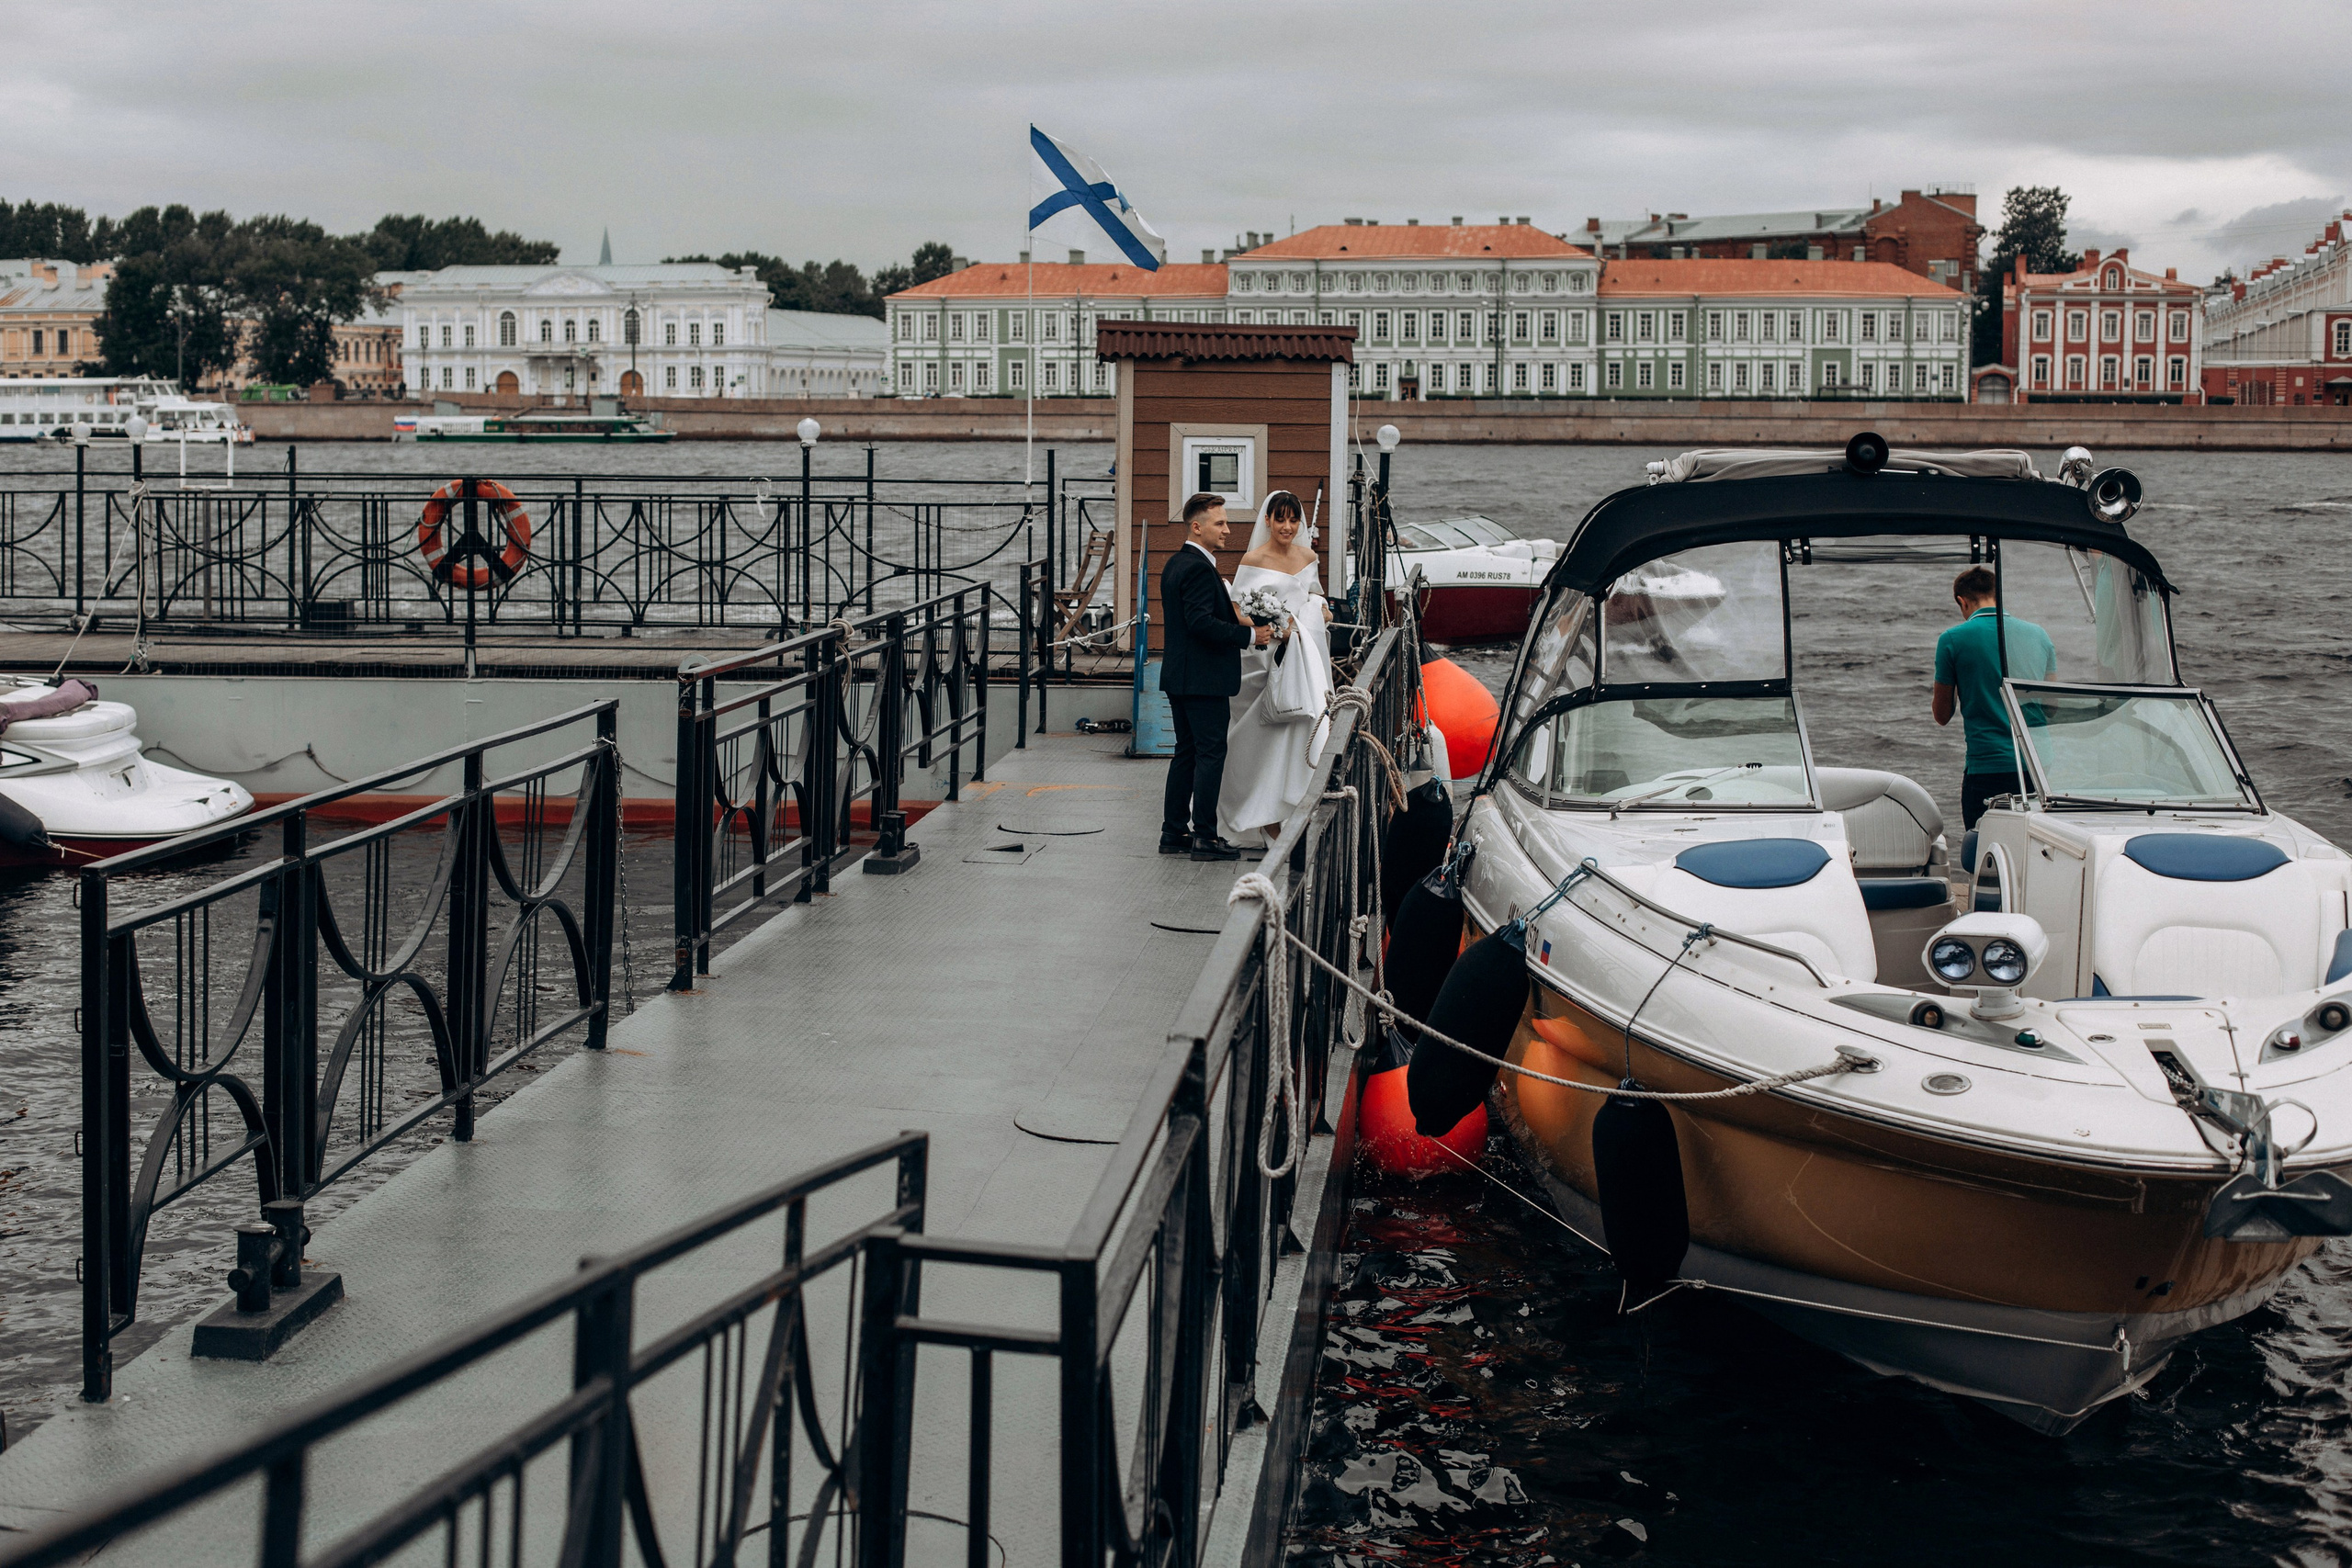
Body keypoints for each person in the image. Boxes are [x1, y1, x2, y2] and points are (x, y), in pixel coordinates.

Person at [1159, 491, 1272, 860]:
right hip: (1202, 680)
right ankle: (1205, 837)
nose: (1228, 529)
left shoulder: (1176, 563)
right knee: (1210, 754)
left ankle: (1173, 832)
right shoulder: (1196, 568)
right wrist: (1250, 635)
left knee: (1187, 753)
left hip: (1181, 676)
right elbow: (1200, 623)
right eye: (1220, 523)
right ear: (1197, 526)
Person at [1219, 490, 1333, 844]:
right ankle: (1263, 815)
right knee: (1266, 736)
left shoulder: (1308, 555)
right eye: (1279, 519)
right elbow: (1239, 610)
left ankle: (1294, 805)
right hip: (1266, 658)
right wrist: (1275, 628)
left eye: (1293, 519)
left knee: (1307, 724)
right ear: (1267, 520)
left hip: (1306, 656)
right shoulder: (1254, 558)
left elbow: (1314, 594)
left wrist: (1322, 608)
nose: (1286, 526)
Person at [1933, 564, 2055, 829]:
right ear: (1998, 596)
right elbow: (2052, 708)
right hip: (2039, 768)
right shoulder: (2039, 635)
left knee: (1982, 852)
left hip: (1988, 768)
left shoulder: (1952, 639)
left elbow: (1942, 715)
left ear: (1961, 601)